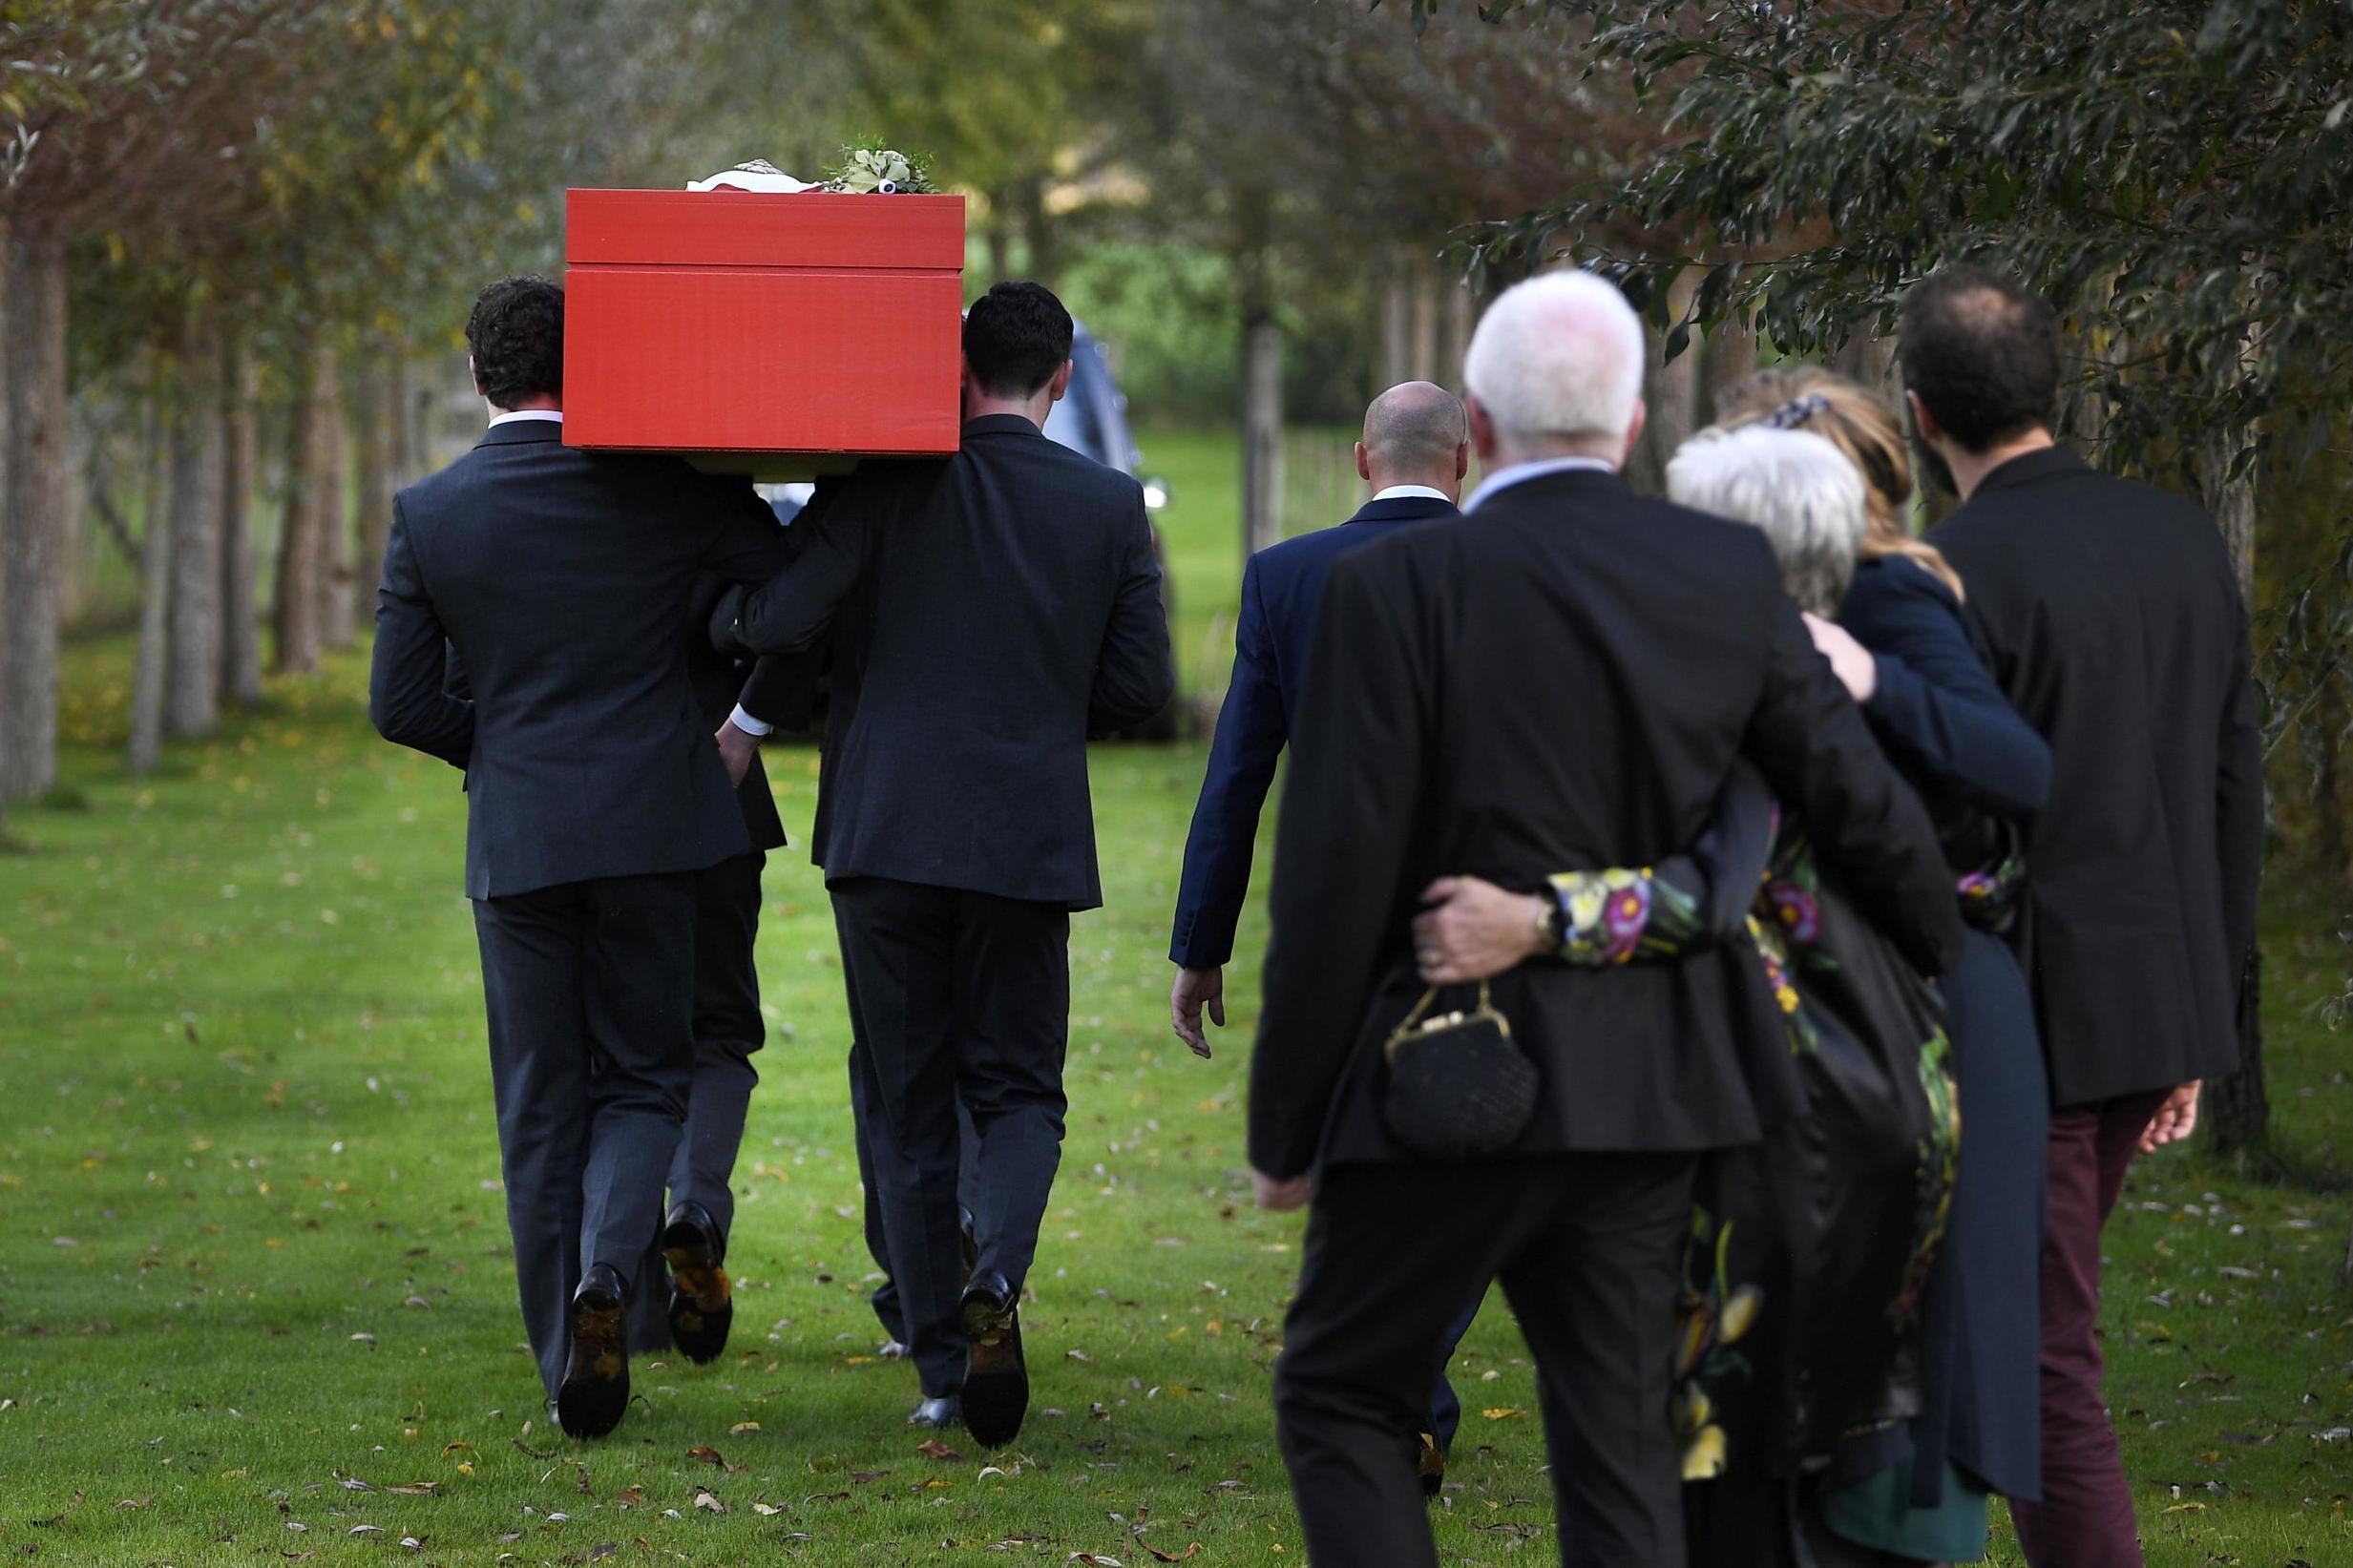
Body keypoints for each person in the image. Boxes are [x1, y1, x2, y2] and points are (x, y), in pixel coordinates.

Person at [1249, 270, 1965, 1568]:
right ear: (1632, 422)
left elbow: (1330, 874)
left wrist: (1287, 1121)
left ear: (1470, 422)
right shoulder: (1724, 574)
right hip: (1658, 1093)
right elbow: (1857, 804)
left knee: (1342, 1392)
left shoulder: (1391, 590)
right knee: (1624, 1445)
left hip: (1444, 1077)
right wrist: (1947, 965)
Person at [717, 281, 1174, 1446]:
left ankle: (936, 1357)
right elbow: (1134, 694)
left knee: (907, 1100)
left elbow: (778, 623)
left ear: (959, 370)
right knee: (1018, 1088)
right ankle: (999, 1276)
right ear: (1061, 380)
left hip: (885, 835)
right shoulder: (1110, 507)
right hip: (1022, 835)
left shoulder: (882, 491)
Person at [368, 276, 793, 1439]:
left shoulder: (433, 511)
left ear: (476, 376)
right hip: (660, 825)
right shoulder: (663, 488)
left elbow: (399, 700)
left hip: (522, 837)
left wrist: (501, 747)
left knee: (539, 1103)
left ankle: (570, 1351)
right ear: (591, 368)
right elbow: (778, 566)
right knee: (648, 1077)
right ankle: (612, 1269)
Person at [1902, 265, 2264, 1568]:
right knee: (2012, 1336)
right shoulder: (2179, 535)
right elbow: (2232, 787)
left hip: (2023, 1030)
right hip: (2146, 1007)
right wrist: (2195, 1016)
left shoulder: (1945, 571)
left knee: (2038, 1354)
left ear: (1918, 409)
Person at [1167, 380, 1468, 1056]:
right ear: (1462, 459)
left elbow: (1236, 778)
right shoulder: (1520, 565)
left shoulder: (1284, 576)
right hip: (1488, 905)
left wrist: (1200, 945)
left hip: (1334, 911)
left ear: (1362, 460)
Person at [617, 577, 818, 1368]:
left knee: (617, 1059)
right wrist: (747, 720)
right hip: (718, 789)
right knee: (719, 1031)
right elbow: (798, 613)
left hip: (594, 799)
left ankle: (623, 1297)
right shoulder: (722, 508)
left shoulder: (564, 494)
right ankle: (697, 1205)